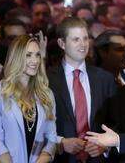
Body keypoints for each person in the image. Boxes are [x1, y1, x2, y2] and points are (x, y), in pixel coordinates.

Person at [47, 18, 117, 163]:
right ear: (62, 43)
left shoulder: (105, 79)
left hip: (97, 159)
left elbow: (116, 122)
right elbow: (39, 125)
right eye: (76, 39)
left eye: (85, 39)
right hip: (60, 159)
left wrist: (105, 146)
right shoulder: (47, 80)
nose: (83, 45)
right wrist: (61, 142)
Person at [0, 35, 57, 163]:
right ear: (16, 57)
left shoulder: (46, 94)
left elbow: (51, 139)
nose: (34, 61)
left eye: (37, 55)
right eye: (28, 55)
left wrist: (41, 160)